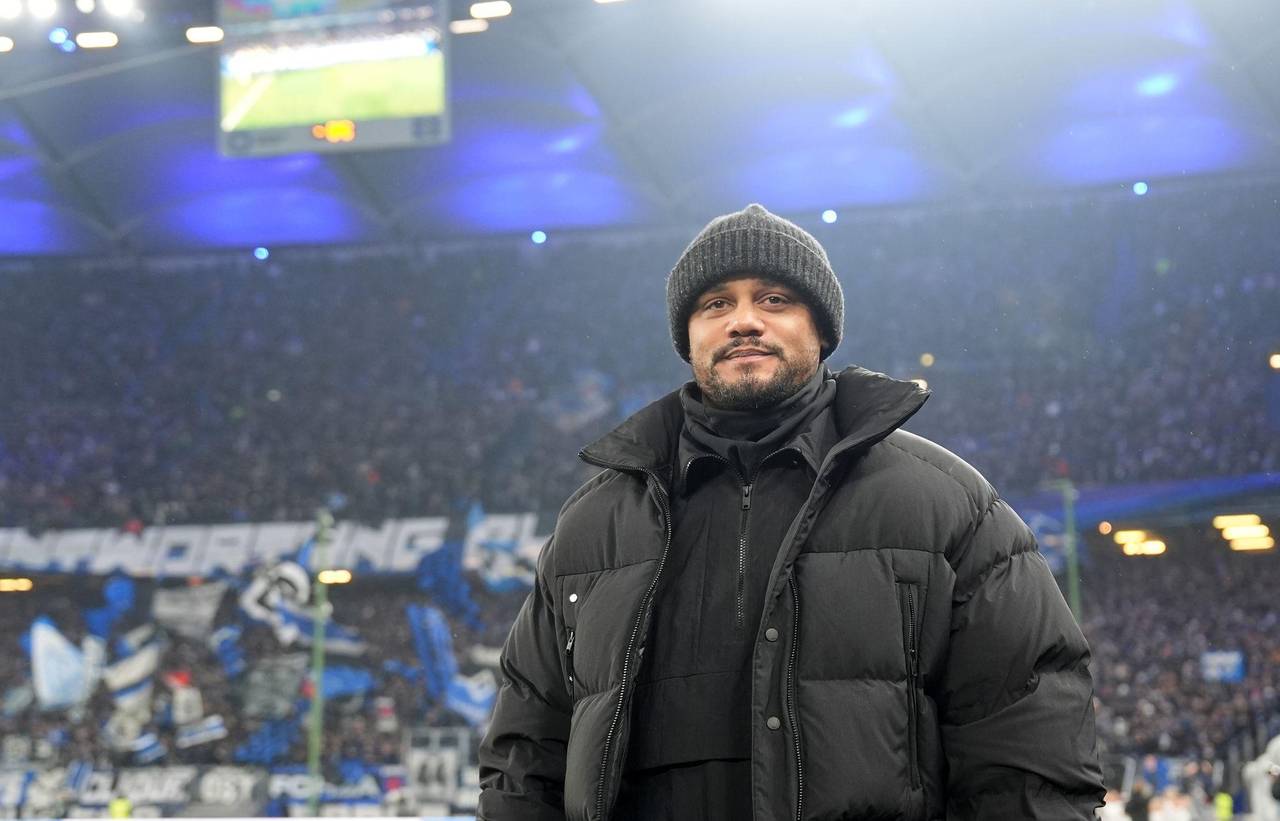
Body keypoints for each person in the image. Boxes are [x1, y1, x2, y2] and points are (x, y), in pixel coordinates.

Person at [477, 204, 1106, 820]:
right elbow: (526, 755)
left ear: (822, 329)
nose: (744, 321)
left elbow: (1027, 746)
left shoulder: (947, 504)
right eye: (715, 304)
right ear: (687, 338)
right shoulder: (592, 524)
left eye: (774, 299)